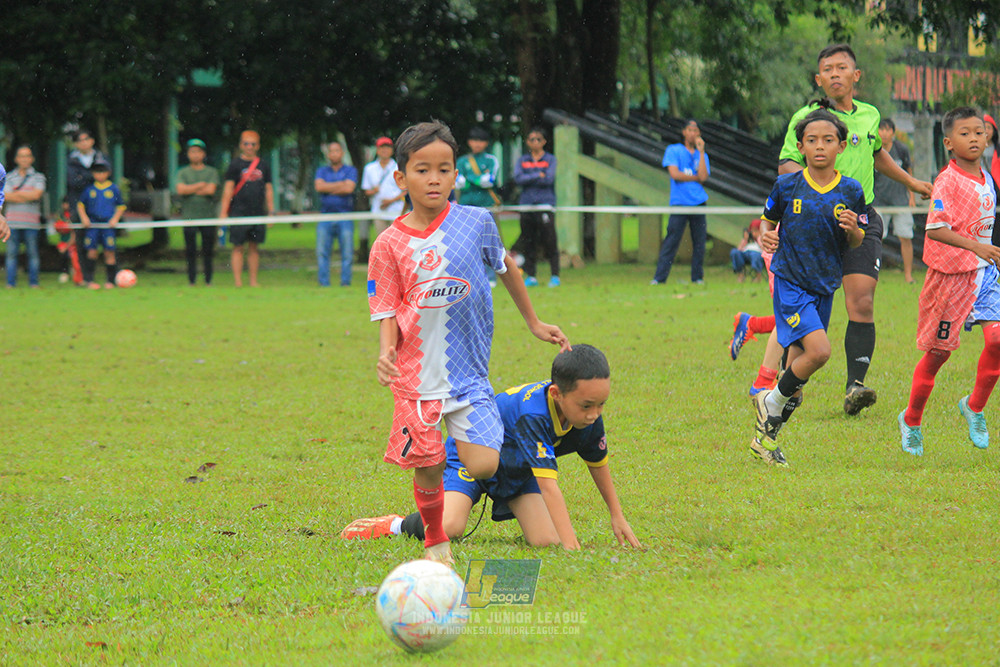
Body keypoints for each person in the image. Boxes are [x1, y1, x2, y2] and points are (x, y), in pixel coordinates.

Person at [366, 120, 569, 566]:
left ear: (456, 173)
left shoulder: (476, 222)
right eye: (422, 170)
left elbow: (506, 267)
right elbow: (385, 306)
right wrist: (385, 353)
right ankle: (435, 540)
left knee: (482, 465)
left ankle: (453, 486)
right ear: (401, 178)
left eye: (444, 169)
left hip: (469, 373)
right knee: (428, 461)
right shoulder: (388, 244)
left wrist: (533, 322)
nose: (434, 178)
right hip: (416, 374)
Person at [341, 345, 642, 549]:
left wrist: (617, 515)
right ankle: (394, 525)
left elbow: (598, 465)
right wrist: (573, 548)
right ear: (556, 393)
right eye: (587, 405)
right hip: (473, 458)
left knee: (545, 542)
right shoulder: (533, 415)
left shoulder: (589, 419)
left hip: (517, 472)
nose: (594, 414)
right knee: (450, 527)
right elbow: (549, 487)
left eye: (601, 404)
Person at [771, 44, 932, 415]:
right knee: (808, 306)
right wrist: (821, 197)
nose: (834, 74)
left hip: (860, 218)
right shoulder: (808, 117)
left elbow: (877, 155)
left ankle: (854, 387)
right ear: (818, 78)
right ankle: (788, 382)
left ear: (855, 76)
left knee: (861, 299)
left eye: (842, 68)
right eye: (827, 69)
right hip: (813, 226)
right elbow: (786, 167)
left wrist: (911, 182)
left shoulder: (870, 116)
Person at [751, 108, 867, 466]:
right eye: (812, 140)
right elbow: (766, 225)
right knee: (819, 352)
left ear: (842, 146)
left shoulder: (851, 189)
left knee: (796, 389)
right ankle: (768, 400)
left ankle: (764, 441)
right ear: (800, 147)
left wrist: (853, 229)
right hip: (790, 284)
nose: (820, 146)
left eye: (828, 140)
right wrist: (765, 239)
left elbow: (858, 241)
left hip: (823, 288)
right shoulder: (787, 185)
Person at [898, 107, 1000, 456]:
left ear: (987, 137)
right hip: (951, 278)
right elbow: (936, 229)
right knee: (938, 354)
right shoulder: (947, 180)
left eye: (978, 132)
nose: (974, 138)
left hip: (984, 275)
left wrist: (982, 252)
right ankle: (911, 420)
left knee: (998, 340)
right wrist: (976, 246)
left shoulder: (987, 176)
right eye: (965, 133)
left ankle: (974, 406)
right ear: (948, 143)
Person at [650, 120, 710, 285]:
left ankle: (697, 277)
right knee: (671, 240)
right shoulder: (673, 150)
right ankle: (659, 278)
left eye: (696, 131)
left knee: (699, 242)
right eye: (690, 130)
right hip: (680, 203)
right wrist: (694, 178)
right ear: (684, 132)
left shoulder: (701, 155)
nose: (693, 133)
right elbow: (675, 174)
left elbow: (704, 177)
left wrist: (701, 151)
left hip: (698, 202)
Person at [220, 130, 273, 287]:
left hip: (257, 212)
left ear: (258, 146)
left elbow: (269, 189)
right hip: (239, 212)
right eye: (246, 143)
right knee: (237, 247)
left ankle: (253, 281)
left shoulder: (263, 165)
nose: (249, 146)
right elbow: (228, 189)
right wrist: (223, 212)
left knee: (254, 247)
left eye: (253, 144)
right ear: (241, 145)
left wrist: (271, 212)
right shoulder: (235, 165)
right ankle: (238, 282)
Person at [513, 128, 560, 287]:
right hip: (526, 206)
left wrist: (531, 177)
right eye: (531, 139)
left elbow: (548, 179)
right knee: (528, 241)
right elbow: (518, 179)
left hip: (545, 205)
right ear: (527, 142)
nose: (535, 142)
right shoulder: (522, 160)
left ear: (544, 142)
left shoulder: (550, 159)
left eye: (538, 139)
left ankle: (555, 276)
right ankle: (531, 275)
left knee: (550, 241)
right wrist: (537, 175)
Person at [873, 119, 916, 284]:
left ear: (893, 132)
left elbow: (909, 172)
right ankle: (873, 275)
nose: (884, 133)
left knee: (905, 237)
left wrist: (911, 196)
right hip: (879, 201)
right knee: (875, 238)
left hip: (900, 201)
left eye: (887, 130)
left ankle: (908, 276)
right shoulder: (873, 150)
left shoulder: (901, 149)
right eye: (881, 130)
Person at [175, 138, 220, 286]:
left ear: (203, 154)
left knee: (208, 251)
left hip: (208, 217)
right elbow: (181, 190)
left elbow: (211, 190)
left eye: (198, 152)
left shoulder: (211, 172)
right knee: (190, 251)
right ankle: (191, 280)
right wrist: (200, 186)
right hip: (189, 217)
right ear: (188, 154)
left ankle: (208, 280)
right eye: (192, 151)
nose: (195, 155)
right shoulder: (183, 172)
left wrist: (191, 189)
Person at [314, 141, 358, 287]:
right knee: (322, 252)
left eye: (337, 151)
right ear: (328, 154)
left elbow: (349, 189)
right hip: (325, 216)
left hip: (345, 216)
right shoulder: (322, 170)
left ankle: (345, 283)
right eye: (331, 151)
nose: (334, 154)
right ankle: (324, 284)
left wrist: (329, 188)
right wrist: (341, 184)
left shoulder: (351, 170)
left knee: (347, 253)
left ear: (342, 153)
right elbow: (319, 186)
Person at [76, 160, 126, 289]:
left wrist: (115, 219)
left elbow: (121, 206)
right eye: (97, 172)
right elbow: (80, 206)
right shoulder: (90, 190)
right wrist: (84, 219)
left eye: (102, 172)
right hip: (93, 225)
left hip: (107, 226)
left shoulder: (113, 189)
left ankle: (110, 281)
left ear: (108, 173)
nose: (100, 175)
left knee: (109, 252)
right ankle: (89, 280)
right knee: (91, 252)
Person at [66, 130, 110, 273]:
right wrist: (92, 175)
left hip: (100, 207)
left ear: (92, 141)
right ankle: (85, 276)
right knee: (81, 242)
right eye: (80, 140)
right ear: (76, 144)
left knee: (106, 242)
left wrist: (83, 177)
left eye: (86, 139)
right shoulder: (71, 159)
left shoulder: (101, 157)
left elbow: (108, 177)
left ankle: (109, 276)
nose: (83, 142)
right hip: (79, 207)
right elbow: (73, 182)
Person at [3, 146, 46, 288]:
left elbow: (37, 194)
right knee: (11, 255)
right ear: (16, 159)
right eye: (21, 156)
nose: (24, 159)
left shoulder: (39, 176)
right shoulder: (8, 176)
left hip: (31, 223)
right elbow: (5, 196)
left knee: (33, 254)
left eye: (27, 156)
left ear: (32, 159)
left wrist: (15, 195)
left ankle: (34, 283)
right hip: (12, 224)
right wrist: (28, 195)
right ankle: (10, 283)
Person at [360, 137, 405, 261]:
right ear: (378, 150)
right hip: (378, 211)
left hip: (397, 211)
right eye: (382, 148)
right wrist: (374, 191)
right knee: (381, 243)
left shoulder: (398, 167)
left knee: (397, 244)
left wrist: (390, 201)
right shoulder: (369, 168)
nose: (385, 151)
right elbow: (366, 190)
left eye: (387, 148)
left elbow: (406, 190)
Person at [456, 127, 501, 209]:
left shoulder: (491, 160)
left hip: (487, 204)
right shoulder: (461, 161)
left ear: (486, 143)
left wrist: (468, 178)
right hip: (466, 205)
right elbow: (460, 183)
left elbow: (488, 181)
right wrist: (478, 179)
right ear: (469, 142)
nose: (478, 144)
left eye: (481, 141)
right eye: (475, 140)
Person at [730, 218, 765, 283]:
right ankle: (740, 275)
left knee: (755, 255)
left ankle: (758, 277)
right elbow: (739, 249)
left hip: (757, 253)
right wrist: (745, 239)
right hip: (746, 253)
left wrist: (758, 238)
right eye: (752, 230)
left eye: (755, 230)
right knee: (734, 252)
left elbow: (764, 249)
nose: (753, 232)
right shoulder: (747, 239)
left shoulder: (762, 237)